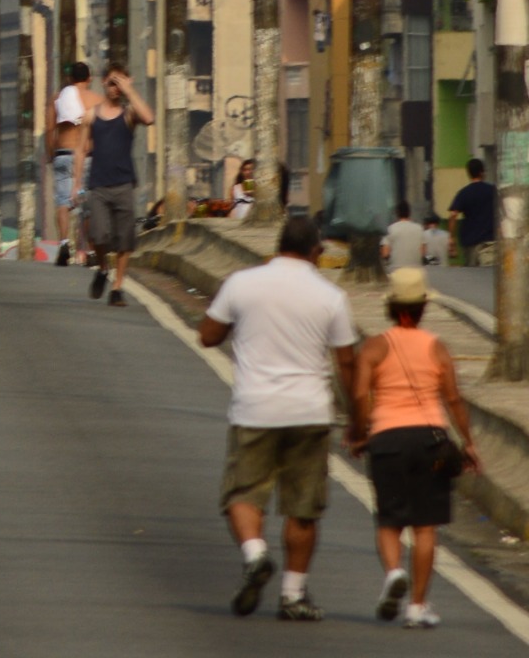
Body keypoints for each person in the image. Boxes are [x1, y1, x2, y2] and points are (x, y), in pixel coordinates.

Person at [198, 216, 357, 621]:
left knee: (242, 494)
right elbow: (347, 364)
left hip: (255, 410)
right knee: (303, 508)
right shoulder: (331, 296)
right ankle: (293, 594)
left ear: (277, 245)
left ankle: (255, 555)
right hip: (310, 412)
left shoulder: (241, 283)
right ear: (316, 252)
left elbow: (208, 336)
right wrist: (358, 419)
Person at [348, 268, 480, 629]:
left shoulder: (374, 347)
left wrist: (359, 433)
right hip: (430, 441)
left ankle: (394, 572)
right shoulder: (437, 347)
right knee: (425, 526)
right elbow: (453, 400)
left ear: (391, 307)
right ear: (423, 307)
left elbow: (359, 394)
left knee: (390, 521)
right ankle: (417, 606)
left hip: (387, 439)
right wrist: (468, 443)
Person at [77, 62, 154, 306]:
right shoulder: (91, 115)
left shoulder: (129, 114)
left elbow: (149, 118)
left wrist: (129, 90)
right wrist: (76, 184)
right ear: (103, 83)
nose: (115, 88)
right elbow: (80, 150)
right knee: (98, 235)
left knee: (124, 239)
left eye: (119, 83)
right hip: (98, 184)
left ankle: (118, 287)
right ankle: (103, 268)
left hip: (123, 183)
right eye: (112, 82)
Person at [45, 62, 100, 266]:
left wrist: (51, 154)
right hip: (86, 156)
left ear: (69, 79)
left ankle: (64, 243)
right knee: (87, 206)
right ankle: (90, 250)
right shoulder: (96, 99)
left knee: (62, 202)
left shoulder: (57, 98)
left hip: (63, 153)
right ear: (89, 78)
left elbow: (50, 129)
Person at [447, 158, 496, 266]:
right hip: (489, 241)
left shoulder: (463, 193)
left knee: (471, 272)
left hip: (470, 242)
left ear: (469, 174)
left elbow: (453, 214)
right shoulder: (493, 191)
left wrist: (451, 237)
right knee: (488, 271)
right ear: (482, 172)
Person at [381, 200, 424, 270]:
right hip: (415, 269)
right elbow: (422, 252)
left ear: (397, 213)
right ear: (409, 213)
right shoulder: (419, 229)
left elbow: (385, 253)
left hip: (396, 269)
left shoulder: (390, 229)